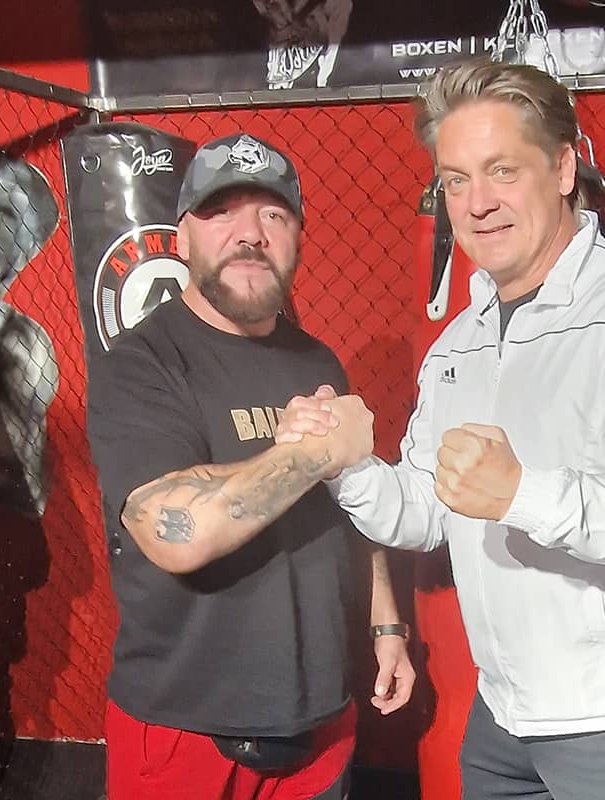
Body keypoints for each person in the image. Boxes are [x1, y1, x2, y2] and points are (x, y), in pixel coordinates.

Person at [277, 60, 605, 800]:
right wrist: (345, 465)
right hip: (501, 715)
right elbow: (424, 513)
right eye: (456, 180)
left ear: (562, 169)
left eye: (501, 171)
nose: (478, 203)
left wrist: (522, 494)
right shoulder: (459, 342)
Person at [85, 132, 415, 800]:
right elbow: (175, 531)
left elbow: (352, 507)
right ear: (182, 238)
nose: (250, 234)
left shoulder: (317, 361)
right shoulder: (141, 365)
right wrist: (310, 452)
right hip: (186, 729)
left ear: (297, 238)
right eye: (221, 212)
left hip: (319, 716)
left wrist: (387, 625)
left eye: (272, 214)